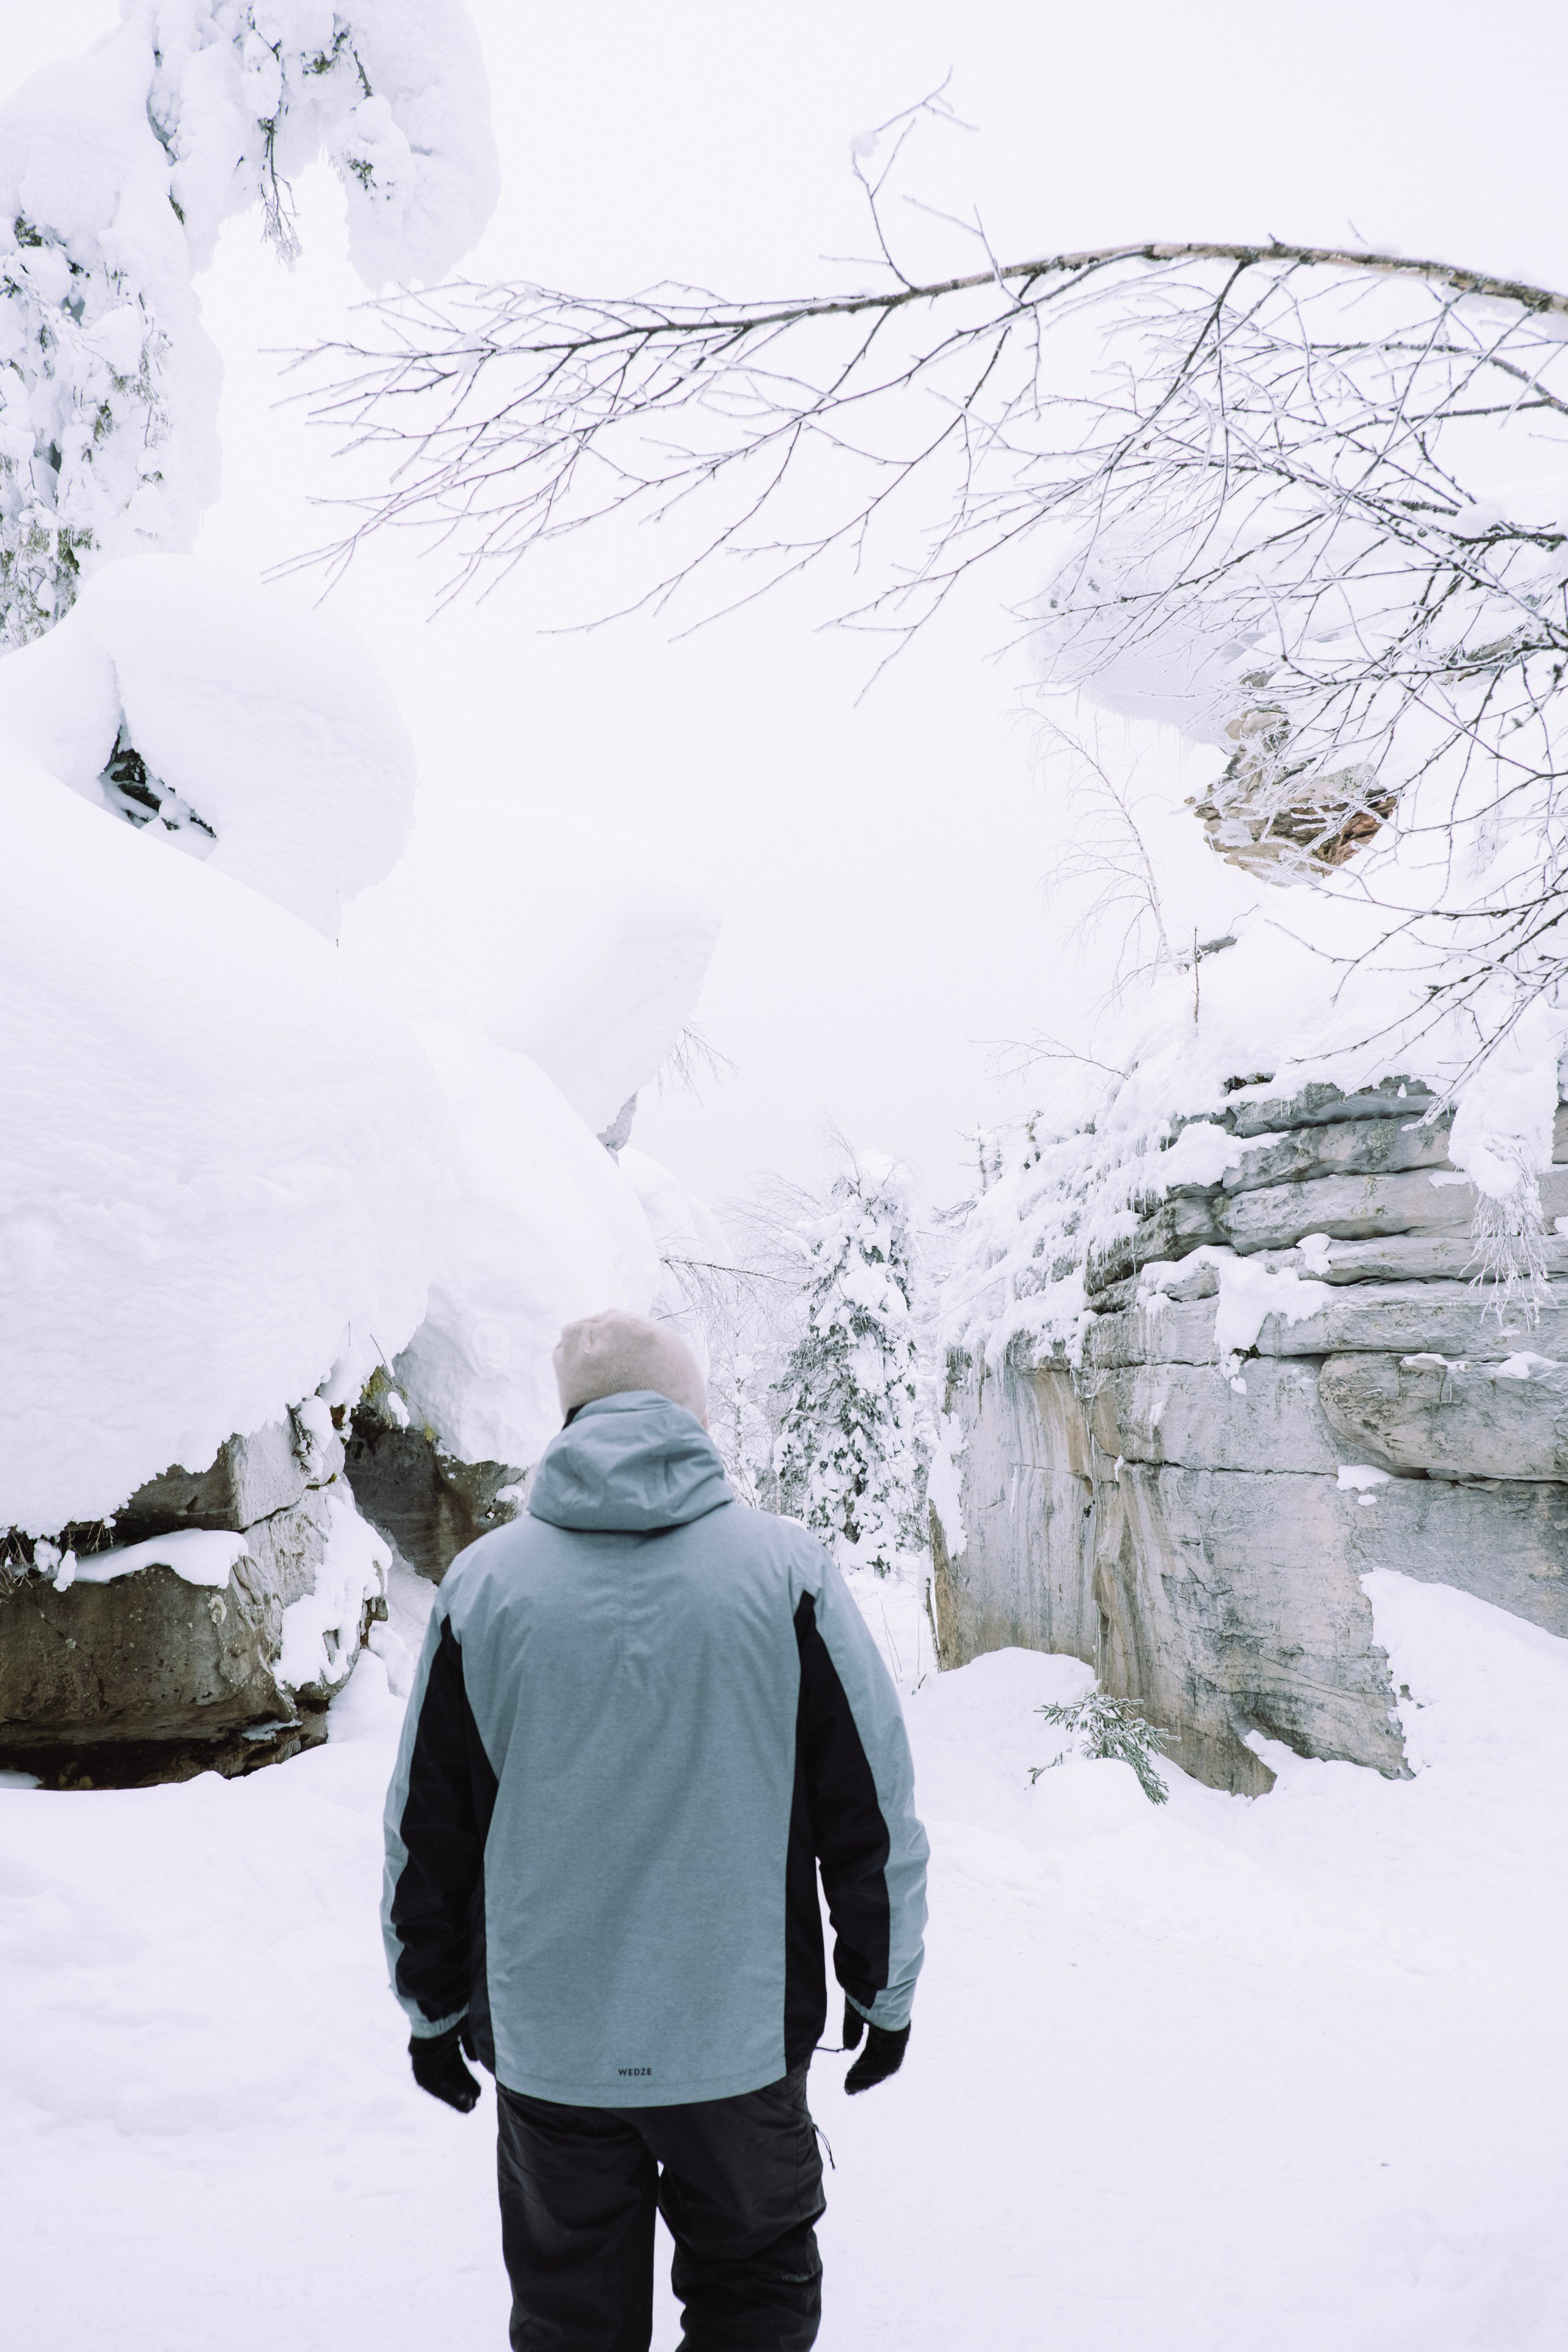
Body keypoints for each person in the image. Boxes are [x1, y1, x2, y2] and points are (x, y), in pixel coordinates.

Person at [381, 1307, 929, 2351]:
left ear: (571, 1418)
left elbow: (428, 1829)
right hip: (738, 2037)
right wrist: (882, 1985)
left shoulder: (485, 1587)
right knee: (754, 2296)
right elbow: (873, 1809)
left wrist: (432, 2006)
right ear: (694, 1414)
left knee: (570, 2317)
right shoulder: (786, 1573)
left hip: (552, 2048)